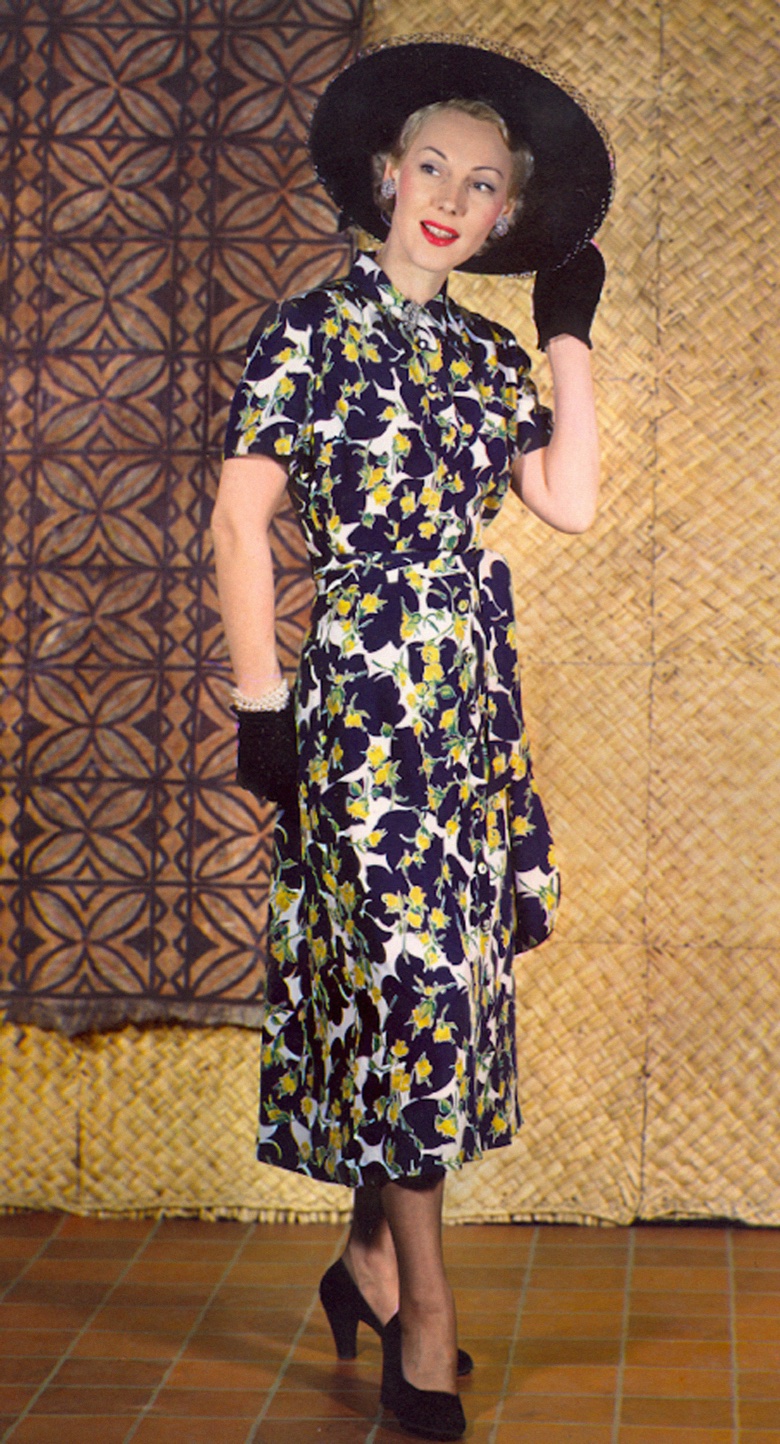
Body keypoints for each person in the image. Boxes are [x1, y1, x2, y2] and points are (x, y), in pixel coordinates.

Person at [211, 36, 613, 1443]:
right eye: (431, 166)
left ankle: (370, 1260)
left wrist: (567, 336)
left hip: (466, 702)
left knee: (432, 988)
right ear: (385, 177)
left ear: (504, 221)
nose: (450, 195)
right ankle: (427, 1317)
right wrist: (263, 705)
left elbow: (566, 501)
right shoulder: (305, 334)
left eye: (483, 184)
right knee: (401, 984)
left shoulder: (486, 353)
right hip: (359, 701)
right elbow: (236, 524)